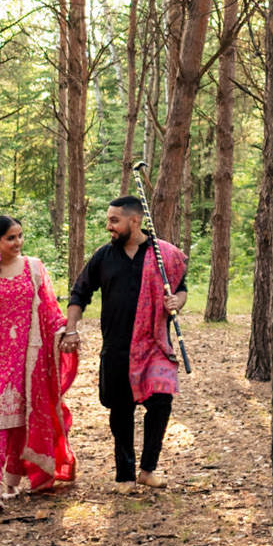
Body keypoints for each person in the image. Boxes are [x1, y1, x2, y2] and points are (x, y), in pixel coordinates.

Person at [0, 215, 77, 514]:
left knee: (21, 423)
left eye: (20, 236)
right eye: (11, 237)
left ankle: (11, 483)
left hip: (28, 359)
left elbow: (49, 309)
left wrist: (64, 332)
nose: (18, 242)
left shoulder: (34, 268)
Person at [63, 195, 188, 487]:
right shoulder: (103, 257)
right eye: (109, 220)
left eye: (114, 220)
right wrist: (71, 329)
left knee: (161, 402)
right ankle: (125, 475)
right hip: (117, 347)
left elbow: (181, 290)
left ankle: (148, 470)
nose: (109, 226)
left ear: (135, 220)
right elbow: (79, 293)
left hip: (154, 344)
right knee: (121, 411)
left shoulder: (163, 255)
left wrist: (176, 301)